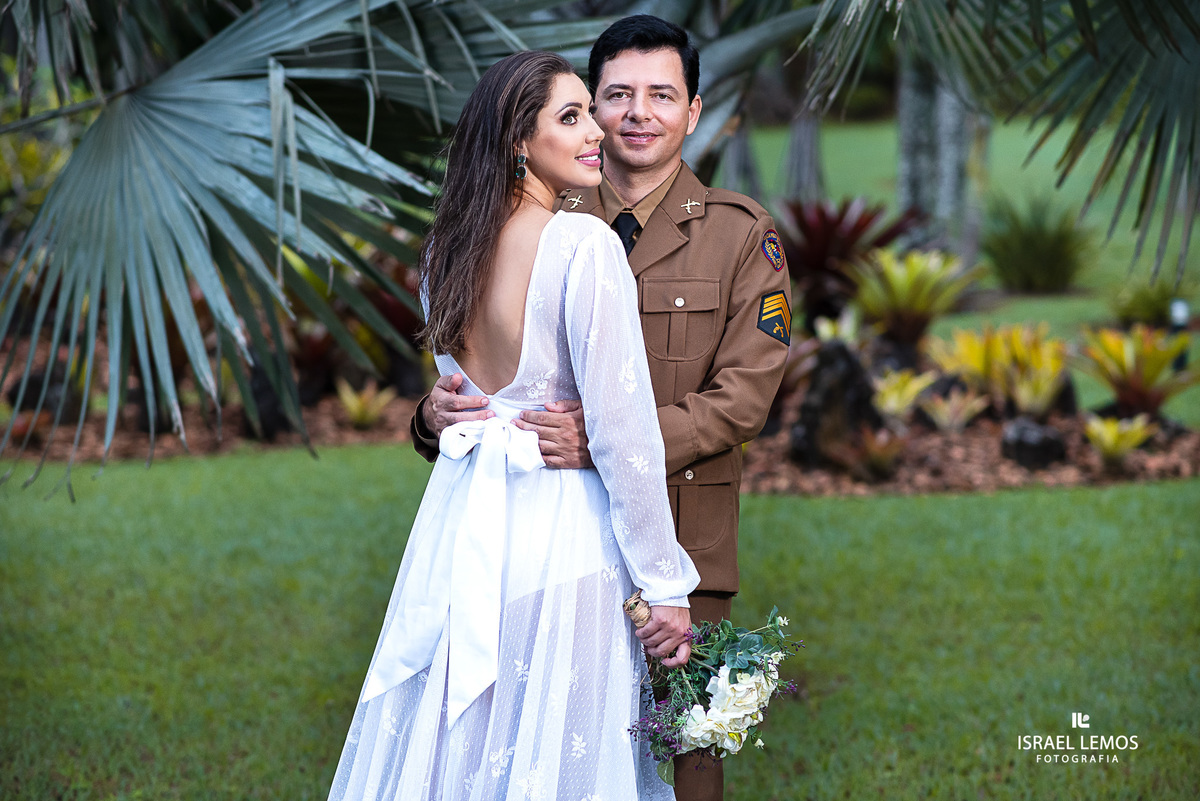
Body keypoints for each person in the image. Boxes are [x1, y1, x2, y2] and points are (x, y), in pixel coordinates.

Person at [410, 16, 791, 801]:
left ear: (694, 111)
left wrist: (609, 441)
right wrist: (432, 417)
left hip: (682, 536)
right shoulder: (541, 229)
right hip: (547, 542)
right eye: (614, 95)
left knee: (683, 755)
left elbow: (740, 402)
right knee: (534, 746)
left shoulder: (739, 237)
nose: (635, 113)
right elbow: (482, 385)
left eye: (662, 94)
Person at [326, 50, 700, 801]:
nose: (597, 129)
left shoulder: (447, 249)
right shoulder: (582, 244)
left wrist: (437, 411)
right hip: (561, 540)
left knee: (464, 747)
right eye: (570, 117)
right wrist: (667, 585)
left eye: (587, 111)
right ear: (517, 143)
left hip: (463, 531)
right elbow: (626, 437)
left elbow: (456, 401)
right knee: (557, 758)